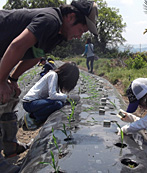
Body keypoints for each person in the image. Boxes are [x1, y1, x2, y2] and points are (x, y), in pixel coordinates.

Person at [0, 0, 98, 172]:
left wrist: (13, 79)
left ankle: (10, 146)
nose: (79, 36)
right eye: (81, 30)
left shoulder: (58, 35)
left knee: (10, 98)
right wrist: (1, 81)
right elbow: (17, 45)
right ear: (71, 17)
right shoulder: (50, 20)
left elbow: (35, 57)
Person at [23, 62, 79, 130]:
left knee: (60, 103)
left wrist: (66, 98)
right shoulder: (53, 75)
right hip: (29, 103)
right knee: (58, 104)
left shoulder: (56, 78)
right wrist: (67, 97)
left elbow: (56, 95)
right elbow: (53, 95)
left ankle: (35, 116)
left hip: (34, 103)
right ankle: (33, 117)